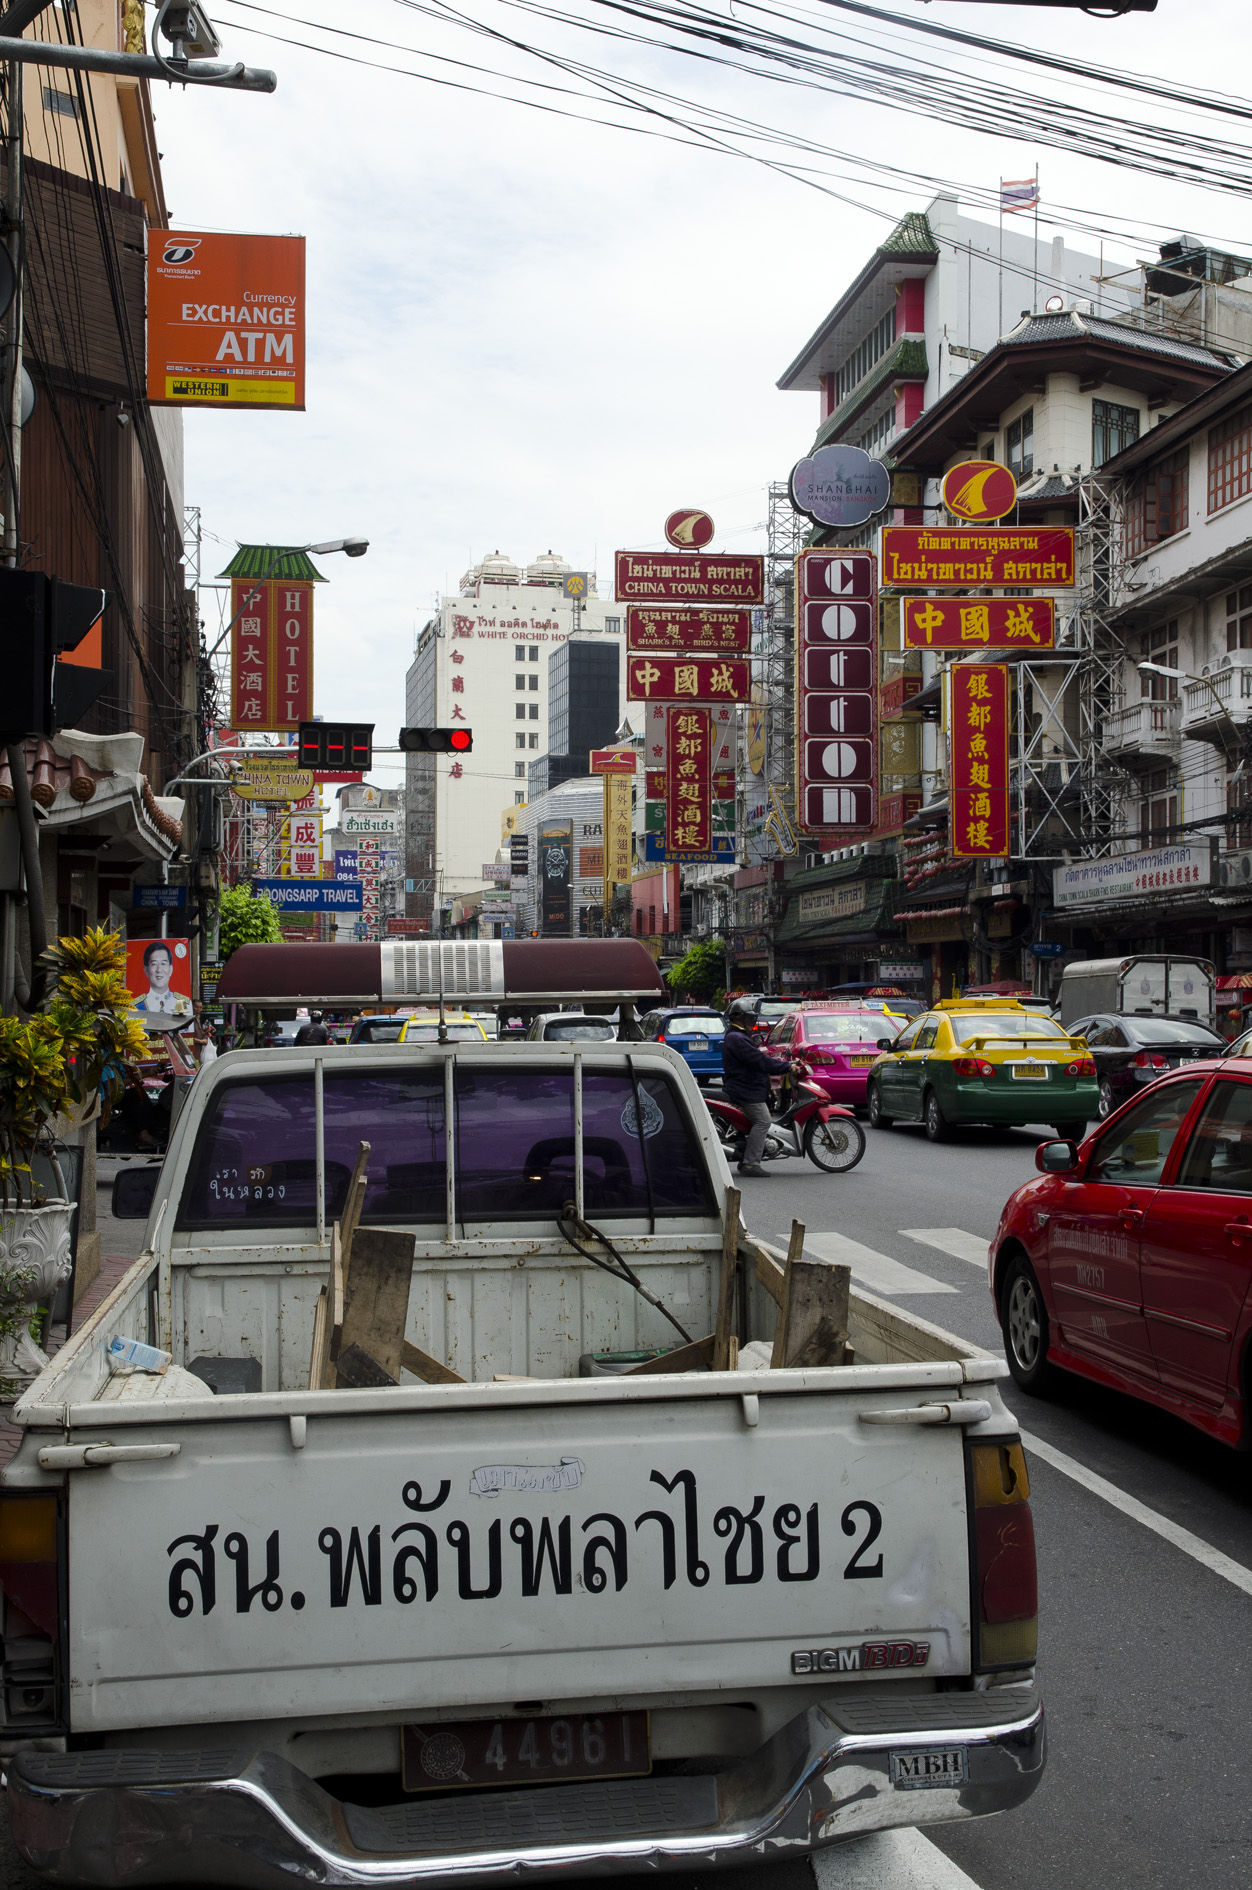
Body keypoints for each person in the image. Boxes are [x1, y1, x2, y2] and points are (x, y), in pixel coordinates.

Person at [722, 998, 777, 1178]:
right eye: (749, 1017)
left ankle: (746, 1155)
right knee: (763, 1121)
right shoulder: (737, 1038)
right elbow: (760, 1061)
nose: (752, 1021)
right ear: (739, 1017)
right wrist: (787, 1067)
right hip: (745, 1090)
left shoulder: (738, 1036)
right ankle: (751, 1163)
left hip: (745, 1087)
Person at [131, 940, 193, 1023]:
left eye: (163, 964)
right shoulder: (136, 1006)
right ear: (146, 970)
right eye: (154, 964)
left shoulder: (183, 1003)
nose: (159, 970)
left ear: (171, 969)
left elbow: (188, 1030)